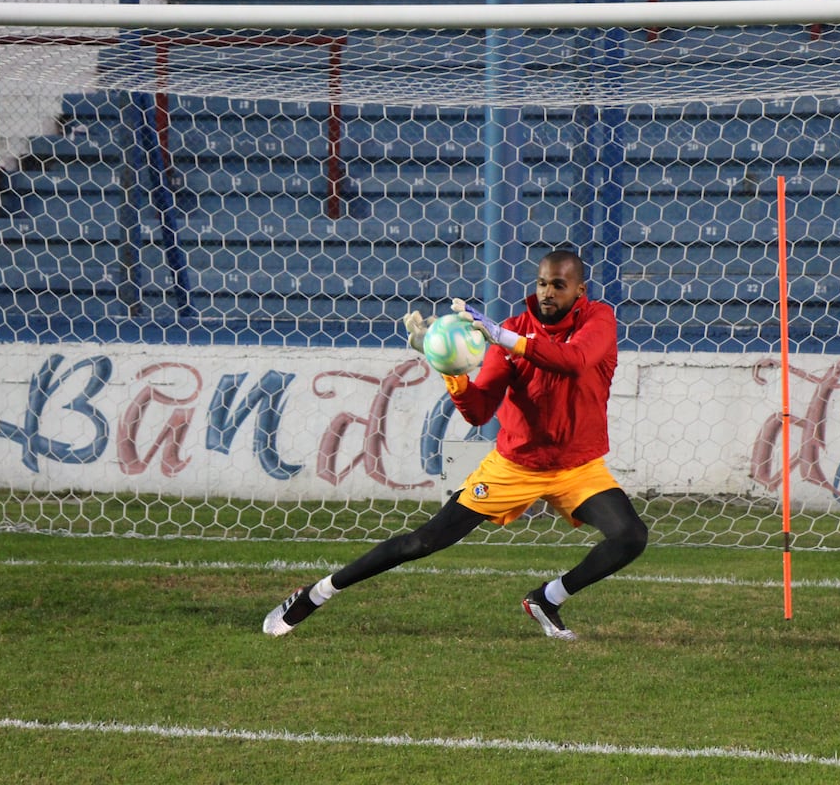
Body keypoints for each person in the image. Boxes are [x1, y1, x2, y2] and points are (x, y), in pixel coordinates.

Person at [262, 248, 648, 640]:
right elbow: (479, 412)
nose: (548, 292)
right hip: (514, 467)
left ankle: (547, 599)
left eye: (559, 285)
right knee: (423, 541)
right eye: (543, 283)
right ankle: (315, 593)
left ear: (580, 289)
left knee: (630, 536)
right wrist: (450, 369)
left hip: (577, 468)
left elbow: (574, 360)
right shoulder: (510, 332)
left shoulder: (597, 319)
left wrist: (505, 338)